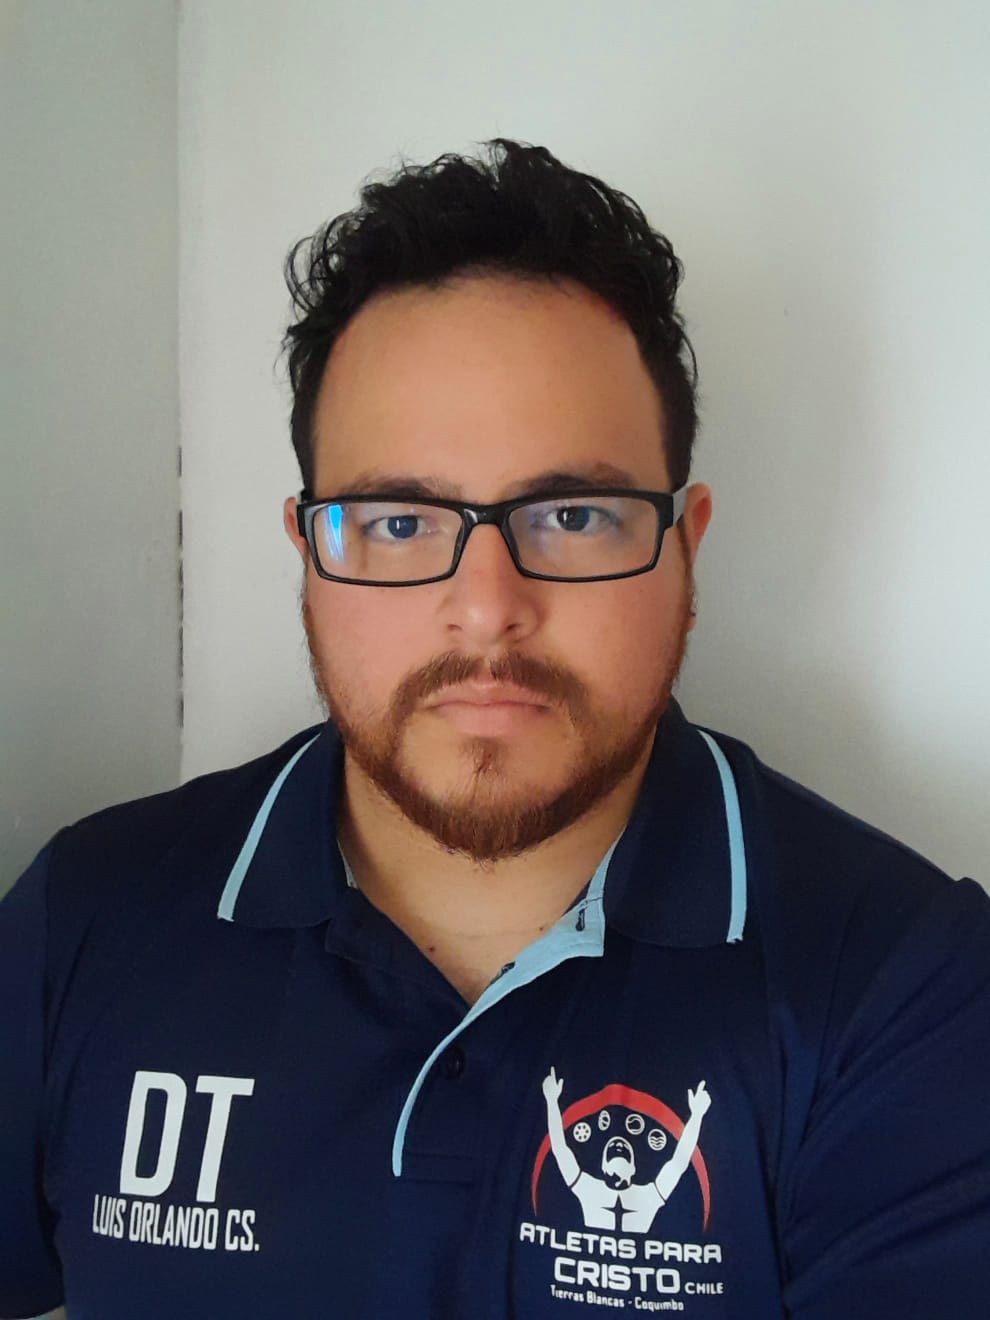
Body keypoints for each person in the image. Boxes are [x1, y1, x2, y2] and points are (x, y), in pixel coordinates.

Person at [1, 139, 987, 1320]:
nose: (486, 605)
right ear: (308, 553)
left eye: (573, 515)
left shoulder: (907, 990)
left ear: (685, 547)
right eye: (399, 521)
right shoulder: (84, 922)